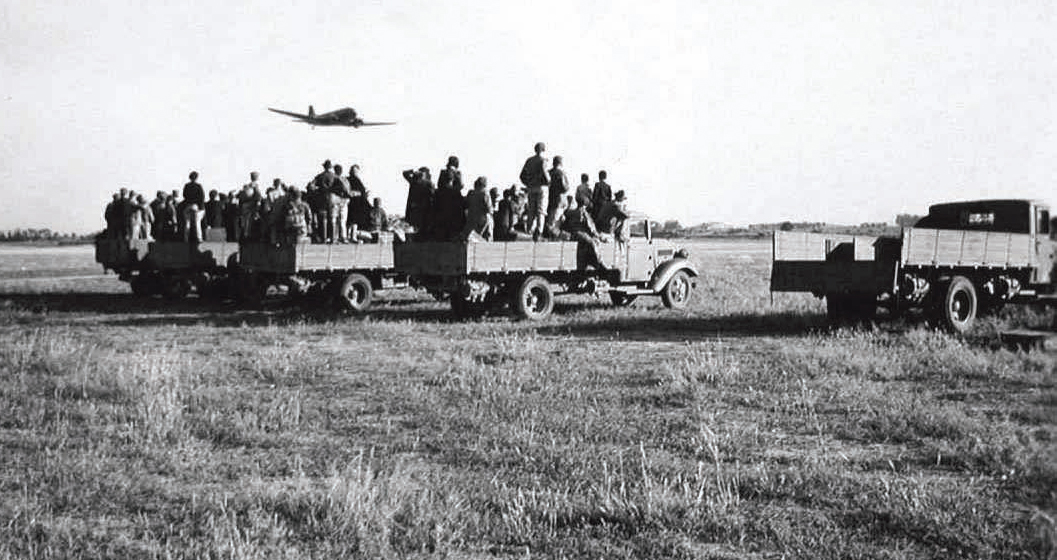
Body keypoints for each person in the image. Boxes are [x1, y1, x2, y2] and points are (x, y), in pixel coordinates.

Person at [561, 200, 608, 271]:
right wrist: (598, 236)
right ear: (585, 205)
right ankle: (599, 261)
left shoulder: (571, 212)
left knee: (590, 242)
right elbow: (590, 226)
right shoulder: (583, 213)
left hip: (573, 232)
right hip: (579, 233)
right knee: (592, 242)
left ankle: (586, 264)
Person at [519, 142, 549, 240]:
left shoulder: (529, 160)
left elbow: (522, 175)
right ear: (543, 150)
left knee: (531, 210)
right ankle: (539, 231)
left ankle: (529, 230)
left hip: (531, 187)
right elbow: (545, 174)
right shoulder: (543, 160)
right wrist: (548, 181)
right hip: (541, 187)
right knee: (541, 210)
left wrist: (528, 183)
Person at [432, 156, 465, 241]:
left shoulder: (443, 172)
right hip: (454, 203)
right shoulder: (457, 173)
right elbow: (461, 185)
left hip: (441, 203)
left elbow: (439, 185)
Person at [403, 167, 433, 237]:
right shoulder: (414, 181)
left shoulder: (428, 183)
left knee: (421, 229)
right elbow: (405, 173)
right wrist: (412, 171)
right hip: (415, 211)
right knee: (415, 229)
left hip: (423, 210)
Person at [462, 176, 493, 241]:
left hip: (471, 221)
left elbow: (465, 205)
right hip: (482, 221)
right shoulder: (485, 193)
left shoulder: (471, 193)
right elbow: (489, 209)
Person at [328, 164, 353, 243]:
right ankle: (343, 237)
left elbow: (329, 188)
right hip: (344, 201)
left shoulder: (333, 178)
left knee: (333, 219)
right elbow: (348, 191)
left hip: (335, 200)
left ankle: (334, 237)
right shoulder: (345, 179)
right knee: (342, 221)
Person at [237, 173, 261, 241]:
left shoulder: (248, 185)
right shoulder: (255, 185)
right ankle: (248, 235)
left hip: (246, 205)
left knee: (245, 222)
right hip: (252, 205)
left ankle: (245, 234)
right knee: (250, 221)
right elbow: (258, 195)